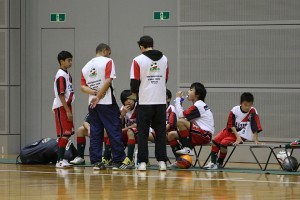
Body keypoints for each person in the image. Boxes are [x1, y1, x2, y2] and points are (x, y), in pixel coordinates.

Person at [81, 43, 128, 170]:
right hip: (106, 102)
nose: (109, 55)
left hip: (92, 104)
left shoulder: (86, 67)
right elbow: (108, 80)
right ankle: (118, 160)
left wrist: (95, 94)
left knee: (96, 132)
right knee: (114, 129)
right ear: (105, 50)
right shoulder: (108, 61)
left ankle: (96, 161)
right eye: (109, 52)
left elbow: (83, 87)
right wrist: (100, 95)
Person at [130, 35, 169, 171]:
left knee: (142, 133)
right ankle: (162, 161)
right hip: (160, 101)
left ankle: (142, 162)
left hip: (145, 101)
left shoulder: (137, 60)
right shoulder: (165, 59)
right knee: (160, 132)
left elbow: (134, 83)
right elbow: (165, 78)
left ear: (141, 46)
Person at [204, 92, 263, 170]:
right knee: (215, 140)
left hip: (242, 135)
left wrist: (256, 140)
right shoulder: (235, 110)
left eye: (250, 105)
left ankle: (219, 163)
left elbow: (255, 126)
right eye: (245, 105)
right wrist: (237, 138)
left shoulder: (253, 111)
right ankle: (213, 163)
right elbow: (231, 125)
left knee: (223, 143)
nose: (248, 107)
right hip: (231, 131)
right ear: (241, 103)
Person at [168, 82, 214, 166]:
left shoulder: (198, 105)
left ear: (197, 94)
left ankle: (188, 148)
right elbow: (182, 117)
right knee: (171, 135)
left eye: (191, 90)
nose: (188, 92)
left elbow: (180, 118)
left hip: (205, 135)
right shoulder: (197, 105)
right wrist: (180, 103)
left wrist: (178, 99)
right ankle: (180, 161)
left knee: (181, 122)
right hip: (198, 133)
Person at [52, 51, 75, 168]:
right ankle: (59, 160)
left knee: (67, 134)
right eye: (68, 60)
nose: (70, 62)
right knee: (64, 134)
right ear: (62, 61)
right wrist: (67, 110)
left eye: (71, 60)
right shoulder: (61, 75)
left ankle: (61, 159)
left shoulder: (67, 74)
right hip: (62, 107)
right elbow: (61, 95)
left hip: (66, 106)